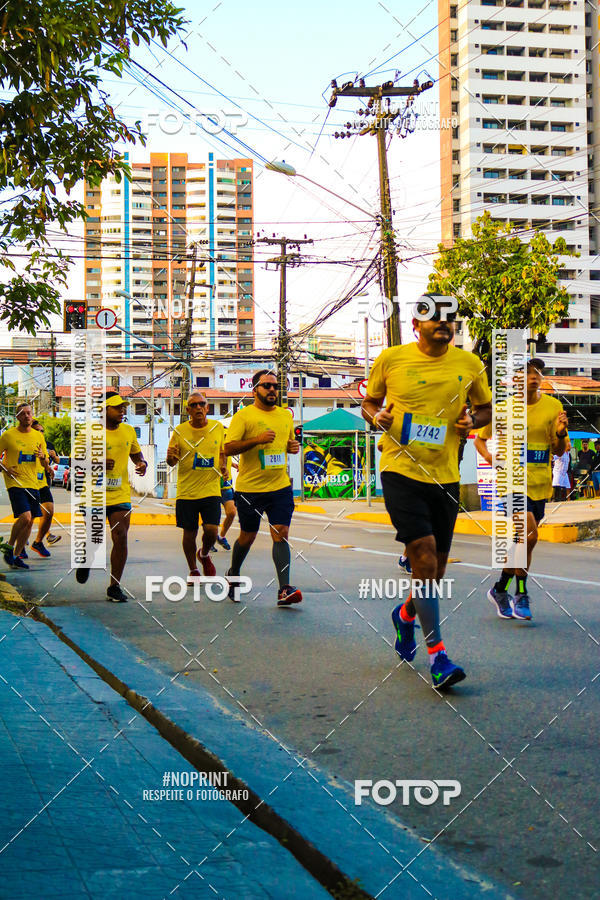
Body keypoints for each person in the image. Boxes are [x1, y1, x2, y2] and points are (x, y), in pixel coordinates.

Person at [362, 295, 492, 689]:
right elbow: (369, 403)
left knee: (434, 571)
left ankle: (404, 616)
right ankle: (439, 657)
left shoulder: (470, 365)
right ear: (416, 325)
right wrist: (377, 416)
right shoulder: (391, 359)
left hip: (445, 475)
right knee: (422, 555)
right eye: (434, 317)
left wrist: (473, 418)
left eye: (449, 318)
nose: (444, 322)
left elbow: (486, 409)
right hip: (400, 470)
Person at [476, 358, 569, 621]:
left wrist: (561, 433)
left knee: (522, 541)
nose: (533, 377)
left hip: (540, 483)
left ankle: (499, 589)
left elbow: (560, 450)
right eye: (527, 373)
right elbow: (480, 441)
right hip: (512, 482)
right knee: (529, 535)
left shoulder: (553, 406)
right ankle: (521, 593)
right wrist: (493, 461)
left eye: (537, 373)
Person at [224, 369, 301, 606]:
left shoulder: (285, 416)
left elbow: (286, 443)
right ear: (255, 389)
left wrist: (292, 447)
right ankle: (233, 573)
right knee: (248, 537)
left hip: (279, 487)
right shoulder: (244, 416)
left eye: (275, 386)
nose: (272, 390)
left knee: (281, 533)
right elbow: (228, 448)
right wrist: (257, 440)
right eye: (266, 385)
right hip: (250, 489)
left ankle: (284, 589)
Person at [75, 392, 147, 602]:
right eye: (117, 407)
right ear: (104, 410)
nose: (122, 411)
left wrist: (142, 463)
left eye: (123, 407)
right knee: (94, 538)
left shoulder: (128, 431)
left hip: (120, 493)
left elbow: (136, 454)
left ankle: (114, 586)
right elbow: (75, 461)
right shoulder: (89, 432)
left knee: (121, 536)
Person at [166, 392, 224, 582]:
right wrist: (170, 458)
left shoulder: (217, 427)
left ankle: (204, 554)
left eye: (202, 404)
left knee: (212, 530)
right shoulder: (180, 431)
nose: (199, 407)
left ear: (207, 408)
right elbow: (171, 460)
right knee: (189, 533)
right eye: (194, 405)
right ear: (188, 410)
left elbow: (222, 451)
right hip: (187, 491)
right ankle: (193, 569)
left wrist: (223, 465)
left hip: (211, 489)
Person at [0, 402, 48, 570]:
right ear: (18, 416)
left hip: (33, 483)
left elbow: (45, 462)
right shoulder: (7, 435)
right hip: (15, 483)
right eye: (24, 413)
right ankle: (9, 546)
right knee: (25, 517)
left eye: (29, 413)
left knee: (29, 522)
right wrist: (6, 468)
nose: (27, 416)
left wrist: (43, 457)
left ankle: (16, 555)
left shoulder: (38, 436)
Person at [30, 420, 61, 555]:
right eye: (37, 430)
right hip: (29, 482)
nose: (40, 433)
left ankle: (39, 541)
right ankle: (16, 546)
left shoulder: (47, 445)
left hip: (44, 482)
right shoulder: (27, 443)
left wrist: (50, 464)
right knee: (29, 516)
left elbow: (56, 460)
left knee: (47, 511)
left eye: (42, 430)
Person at [215, 453, 238, 551]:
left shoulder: (227, 439)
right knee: (212, 517)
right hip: (213, 486)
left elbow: (225, 455)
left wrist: (233, 464)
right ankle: (210, 539)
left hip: (226, 486)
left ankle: (221, 537)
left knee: (231, 513)